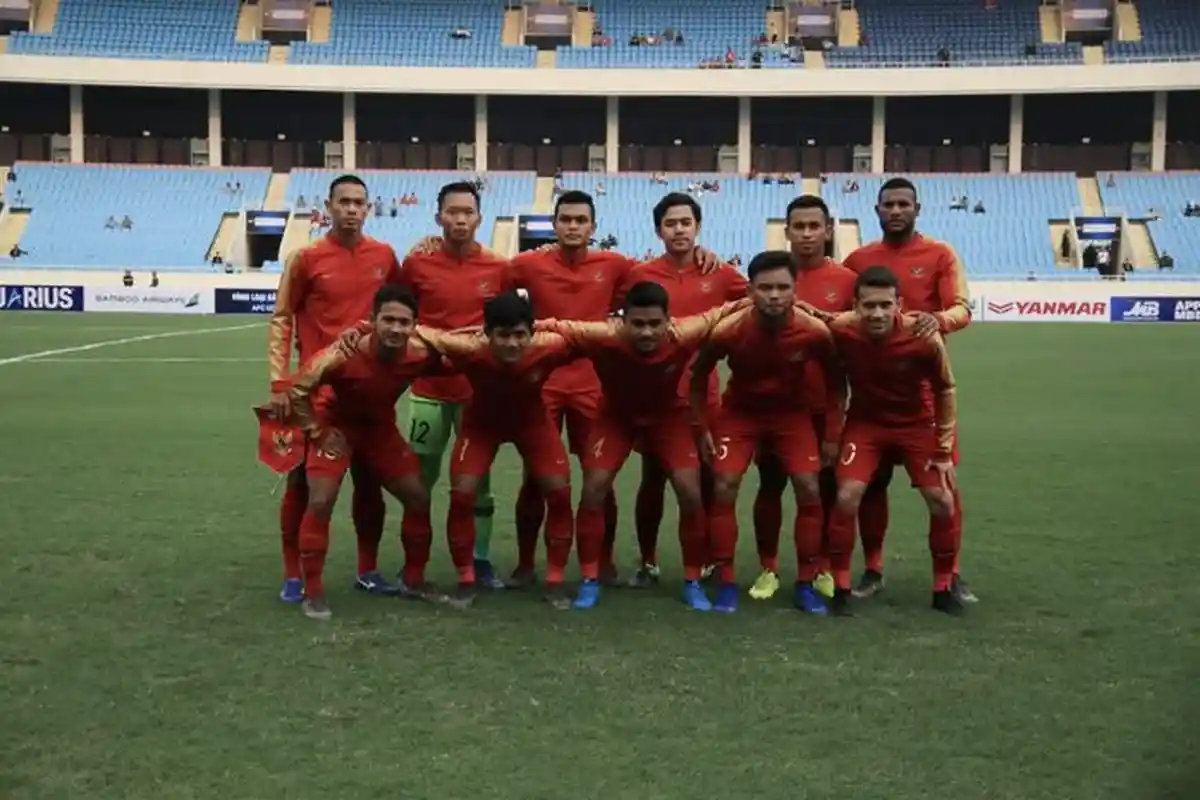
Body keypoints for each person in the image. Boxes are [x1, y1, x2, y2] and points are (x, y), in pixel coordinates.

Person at [538, 283, 745, 611]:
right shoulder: (602, 336)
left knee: (690, 493)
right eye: (637, 324)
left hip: (668, 418)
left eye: (654, 324)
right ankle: (590, 579)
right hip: (616, 418)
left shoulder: (686, 333)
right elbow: (552, 325)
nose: (646, 332)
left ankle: (692, 580)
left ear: (669, 321)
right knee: (593, 489)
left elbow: (729, 310)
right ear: (622, 322)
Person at [268, 174, 404, 603]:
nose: (351, 209)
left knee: (370, 481)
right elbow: (282, 317)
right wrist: (280, 381)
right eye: (343, 201)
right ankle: (294, 574)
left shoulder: (384, 256)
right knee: (303, 485)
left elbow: (400, 308)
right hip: (315, 394)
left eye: (358, 202)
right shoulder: (306, 258)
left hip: (369, 393)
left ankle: (368, 570)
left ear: (369, 209)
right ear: (328, 207)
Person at [689, 250, 845, 615]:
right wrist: (701, 427)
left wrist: (832, 435)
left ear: (795, 289)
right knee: (724, 485)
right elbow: (697, 378)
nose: (774, 295)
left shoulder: (814, 331)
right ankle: (727, 581)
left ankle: (805, 582)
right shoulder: (728, 330)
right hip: (740, 415)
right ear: (750, 291)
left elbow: (837, 385)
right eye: (765, 288)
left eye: (782, 287)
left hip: (792, 417)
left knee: (809, 488)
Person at [843, 176, 975, 604]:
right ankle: (873, 569)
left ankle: (951, 575)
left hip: (923, 395)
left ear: (917, 209)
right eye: (889, 204)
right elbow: (843, 315)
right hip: (870, 394)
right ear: (877, 210)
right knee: (870, 486)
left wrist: (939, 320)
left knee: (943, 488)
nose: (896, 210)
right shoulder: (857, 260)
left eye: (904, 204)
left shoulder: (939, 254)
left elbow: (962, 308)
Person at [282, 285, 442, 620]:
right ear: (372, 320)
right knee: (321, 500)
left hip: (379, 429)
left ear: (415, 325)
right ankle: (313, 592)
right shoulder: (342, 354)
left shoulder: (420, 353)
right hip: (336, 425)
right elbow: (297, 390)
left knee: (417, 496)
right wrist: (316, 431)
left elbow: (464, 350)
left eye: (404, 322)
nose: (396, 328)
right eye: (388, 320)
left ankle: (413, 580)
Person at [503, 190, 634, 587]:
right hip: (541, 383)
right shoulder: (527, 264)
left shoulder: (615, 266)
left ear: (593, 227)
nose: (573, 226)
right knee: (535, 477)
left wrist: (702, 254)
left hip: (593, 383)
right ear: (555, 224)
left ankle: (603, 563)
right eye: (566, 219)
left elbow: (660, 282)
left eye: (581, 220)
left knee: (600, 479)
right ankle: (526, 564)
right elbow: (488, 281)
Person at [416, 292, 578, 609]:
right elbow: (419, 333)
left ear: (532, 333)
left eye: (520, 335)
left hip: (532, 424)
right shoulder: (469, 349)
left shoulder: (551, 346)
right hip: (481, 425)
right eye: (503, 335)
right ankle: (466, 580)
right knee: (462, 495)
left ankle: (555, 581)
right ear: (487, 334)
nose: (512, 344)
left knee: (559, 493)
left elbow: (599, 335)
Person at [621, 192, 749, 588]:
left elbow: (755, 301)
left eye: (686, 222)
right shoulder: (639, 274)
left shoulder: (721, 273)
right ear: (658, 230)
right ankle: (648, 561)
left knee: (708, 476)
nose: (679, 230)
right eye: (671, 223)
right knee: (654, 477)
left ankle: (707, 559)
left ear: (698, 227)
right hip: (654, 392)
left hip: (704, 392)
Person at [824, 267, 961, 616]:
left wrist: (943, 449)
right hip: (865, 426)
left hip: (915, 426)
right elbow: (811, 319)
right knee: (847, 496)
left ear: (899, 303)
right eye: (869, 305)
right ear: (855, 305)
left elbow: (945, 388)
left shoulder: (923, 335)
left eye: (885, 305)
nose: (877, 313)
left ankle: (944, 587)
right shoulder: (842, 329)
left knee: (942, 500)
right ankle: (841, 587)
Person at [397, 181, 511, 589]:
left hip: (477, 395)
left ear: (479, 218)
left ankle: (480, 560)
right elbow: (400, 316)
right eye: (452, 212)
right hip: (428, 392)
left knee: (478, 482)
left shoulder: (499, 268)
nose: (460, 219)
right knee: (418, 482)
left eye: (468, 212)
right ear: (438, 217)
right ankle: (414, 562)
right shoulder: (416, 265)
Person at [749, 195, 857, 603]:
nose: (807, 234)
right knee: (771, 484)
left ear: (828, 230)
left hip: (824, 405)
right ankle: (769, 568)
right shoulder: (771, 277)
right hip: (773, 407)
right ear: (788, 231)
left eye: (815, 226)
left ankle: (820, 567)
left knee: (823, 488)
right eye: (799, 226)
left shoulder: (848, 281)